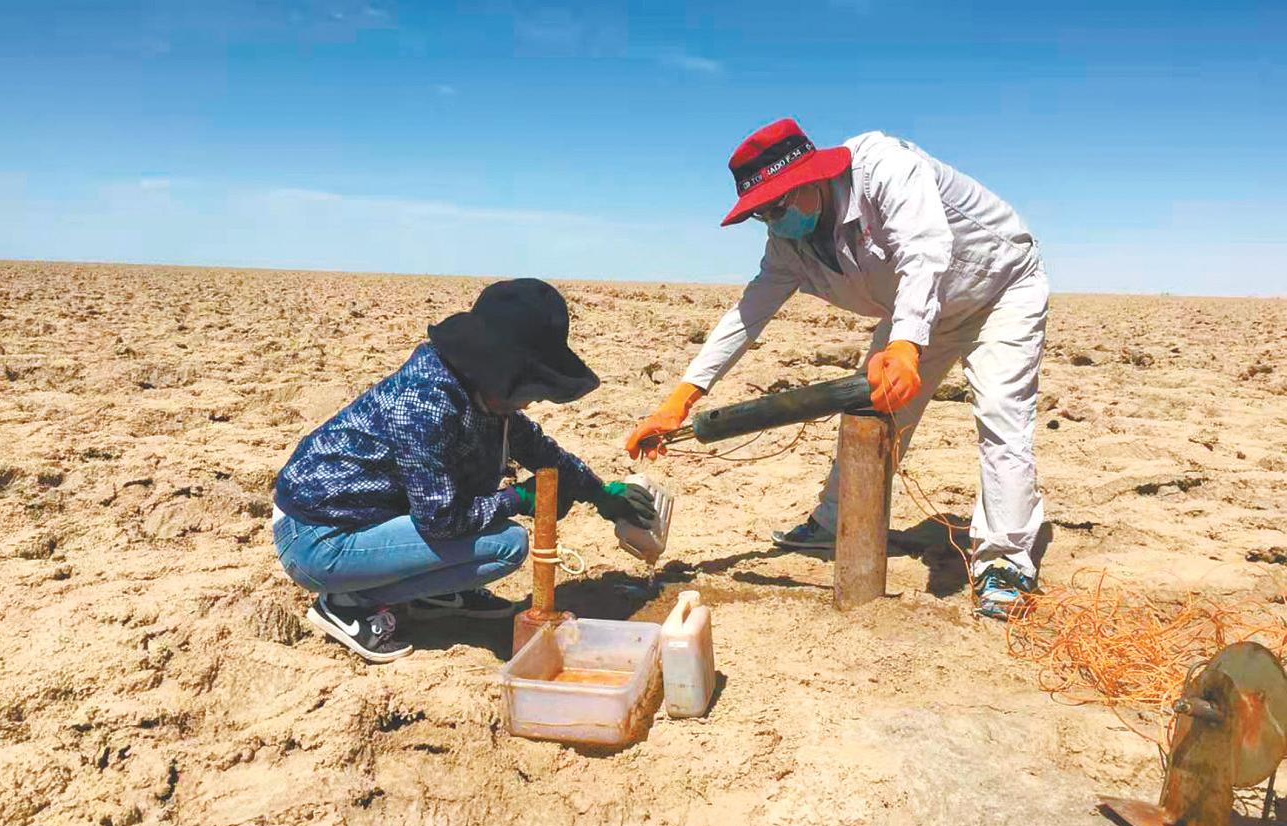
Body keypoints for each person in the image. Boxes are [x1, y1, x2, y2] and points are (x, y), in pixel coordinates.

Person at [626, 119, 1048, 618]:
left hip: (999, 291)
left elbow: (925, 251)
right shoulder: (789, 244)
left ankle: (1005, 564)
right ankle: (835, 521)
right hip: (915, 312)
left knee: (1002, 416)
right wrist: (681, 399)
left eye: (776, 206)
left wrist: (907, 344)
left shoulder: (886, 169)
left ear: (811, 180)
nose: (771, 221)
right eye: (760, 214)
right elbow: (746, 315)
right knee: (872, 409)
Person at [274, 278, 655, 663]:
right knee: (505, 544)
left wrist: (600, 493)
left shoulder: (480, 394)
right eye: (532, 387)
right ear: (503, 372)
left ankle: (430, 590)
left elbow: (541, 452)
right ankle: (347, 602)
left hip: (368, 520)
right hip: (322, 539)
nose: (536, 398)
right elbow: (441, 519)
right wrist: (517, 499)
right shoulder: (425, 405)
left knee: (487, 525)